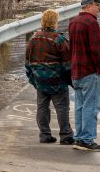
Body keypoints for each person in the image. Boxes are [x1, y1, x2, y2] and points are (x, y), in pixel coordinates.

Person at [25, 9, 73, 145]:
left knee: (42, 107)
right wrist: (71, 81)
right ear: (55, 22)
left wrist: (33, 79)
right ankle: (66, 136)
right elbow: (67, 64)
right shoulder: (59, 39)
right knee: (62, 107)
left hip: (40, 80)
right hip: (57, 80)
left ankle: (45, 135)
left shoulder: (33, 39)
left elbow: (27, 63)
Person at [69, 0, 100, 152]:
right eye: (97, 5)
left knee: (79, 106)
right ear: (89, 5)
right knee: (91, 107)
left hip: (76, 71)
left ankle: (79, 138)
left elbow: (71, 48)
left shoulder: (73, 22)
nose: (99, 8)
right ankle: (87, 139)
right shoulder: (91, 23)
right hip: (89, 71)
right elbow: (96, 50)